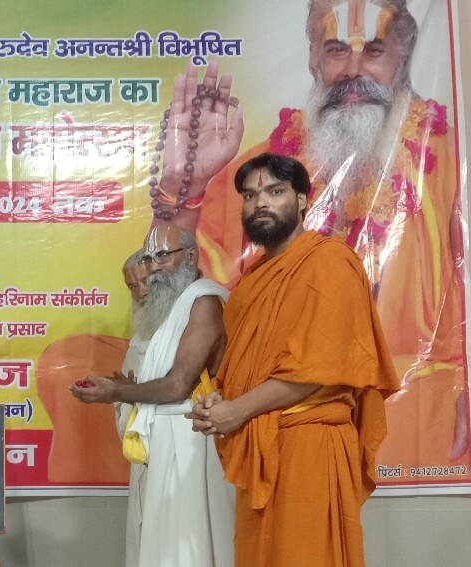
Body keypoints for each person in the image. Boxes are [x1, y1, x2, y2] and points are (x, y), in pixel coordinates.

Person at [154, 0, 464, 464]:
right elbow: (172, 302)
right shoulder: (259, 175)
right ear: (313, 59)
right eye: (336, 49)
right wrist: (184, 189)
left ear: (404, 57)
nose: (352, 71)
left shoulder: (451, 164)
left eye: (374, 50)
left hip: (411, 398)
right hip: (261, 405)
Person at [189, 154, 400, 567]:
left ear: (302, 200)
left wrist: (236, 410)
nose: (260, 203)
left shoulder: (330, 263)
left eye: (275, 191)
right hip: (259, 446)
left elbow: (314, 370)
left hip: (309, 446)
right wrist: (219, 400)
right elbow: (244, 365)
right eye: (250, 196)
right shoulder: (252, 282)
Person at [72, 226, 234, 567]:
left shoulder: (203, 302)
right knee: (159, 547)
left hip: (191, 444)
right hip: (162, 444)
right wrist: (127, 389)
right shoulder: (172, 309)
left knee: (187, 549)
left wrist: (117, 392)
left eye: (162, 255)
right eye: (149, 258)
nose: (154, 267)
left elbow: (177, 386)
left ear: (190, 256)